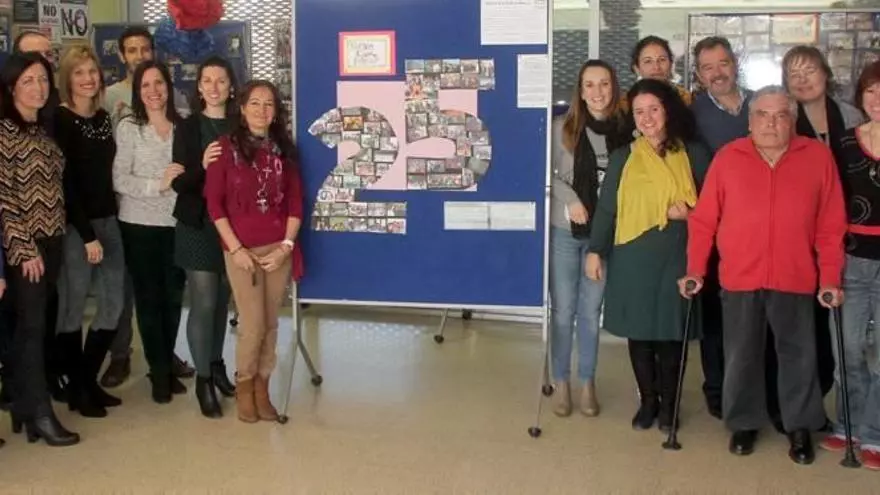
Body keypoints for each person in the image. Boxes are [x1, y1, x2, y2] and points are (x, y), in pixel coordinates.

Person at [681, 85, 846, 465]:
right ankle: (743, 422)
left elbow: (831, 224)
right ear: (750, 121)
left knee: (799, 356)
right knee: (741, 355)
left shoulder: (817, 157)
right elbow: (704, 221)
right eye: (763, 115)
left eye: (780, 115)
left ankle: (800, 426)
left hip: (795, 274)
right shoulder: (728, 157)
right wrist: (694, 270)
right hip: (740, 275)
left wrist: (829, 277)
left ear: (793, 121)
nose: (771, 123)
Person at [585, 79, 711, 432]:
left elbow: (716, 205)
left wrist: (690, 213)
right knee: (639, 333)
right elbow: (607, 208)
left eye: (654, 109)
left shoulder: (693, 153)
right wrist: (595, 250)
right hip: (633, 255)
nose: (647, 118)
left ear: (668, 111)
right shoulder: (623, 156)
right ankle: (649, 402)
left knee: (671, 333)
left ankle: (670, 406)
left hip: (677, 252)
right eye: (639, 112)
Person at [204, 80, 304, 423]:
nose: (262, 110)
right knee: (253, 324)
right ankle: (244, 385)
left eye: (269, 104)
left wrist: (286, 247)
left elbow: (295, 203)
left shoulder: (284, 150)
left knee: (271, 323)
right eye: (255, 103)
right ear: (242, 109)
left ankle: (263, 387)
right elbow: (214, 205)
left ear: (276, 111)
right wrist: (235, 250)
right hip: (241, 251)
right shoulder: (224, 149)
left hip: (278, 250)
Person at [776, 45, 864, 431]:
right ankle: (802, 407)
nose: (802, 79)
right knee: (803, 326)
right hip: (799, 235)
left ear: (825, 73)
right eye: (793, 74)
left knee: (838, 327)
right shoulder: (784, 118)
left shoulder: (851, 115)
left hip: (849, 231)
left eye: (809, 70)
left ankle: (835, 402)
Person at [101, 26, 194, 387]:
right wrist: (159, 184)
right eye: (145, 86)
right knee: (148, 300)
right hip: (138, 225)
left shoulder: (184, 125)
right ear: (137, 92)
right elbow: (119, 180)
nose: (153, 91)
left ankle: (167, 363)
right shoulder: (129, 127)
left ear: (168, 87)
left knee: (173, 300)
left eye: (159, 84)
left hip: (177, 225)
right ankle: (158, 374)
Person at [0, 52, 79, 446]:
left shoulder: (42, 129)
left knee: (36, 327)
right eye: (28, 80)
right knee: (31, 330)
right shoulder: (4, 132)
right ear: (12, 86)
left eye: (43, 79)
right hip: (26, 248)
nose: (38, 87)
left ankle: (23, 405)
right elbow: (3, 198)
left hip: (54, 240)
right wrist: (24, 248)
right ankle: (41, 413)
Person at [549, 59, 631, 417]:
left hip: (603, 236)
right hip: (566, 233)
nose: (597, 92)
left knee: (590, 312)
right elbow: (545, 175)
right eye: (589, 85)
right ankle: (561, 381)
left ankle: (587, 381)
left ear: (614, 87)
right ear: (580, 92)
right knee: (563, 312)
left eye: (604, 83)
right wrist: (571, 199)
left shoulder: (626, 131)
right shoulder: (561, 128)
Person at [53, 46, 125, 419]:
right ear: (67, 79)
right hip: (76, 227)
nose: (87, 79)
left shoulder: (102, 118)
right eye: (79, 72)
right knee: (73, 307)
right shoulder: (59, 119)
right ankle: (78, 389)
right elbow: (65, 184)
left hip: (108, 220)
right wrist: (86, 235)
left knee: (113, 303)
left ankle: (85, 381)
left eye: (92, 71)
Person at [818, 61, 880, 470]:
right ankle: (848, 426)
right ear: (860, 97)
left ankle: (875, 434)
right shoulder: (843, 143)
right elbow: (829, 204)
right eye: (871, 91)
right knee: (848, 350)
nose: (878, 99)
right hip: (852, 260)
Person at [689, 36, 754, 420]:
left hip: (760, 230)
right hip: (715, 230)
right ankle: (717, 389)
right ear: (699, 74)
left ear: (735, 63)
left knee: (754, 316)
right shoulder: (692, 115)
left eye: (723, 63)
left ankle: (751, 388)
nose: (717, 73)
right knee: (714, 316)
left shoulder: (761, 106)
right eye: (708, 67)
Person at [171, 56, 238, 418]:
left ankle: (216, 364)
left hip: (234, 226)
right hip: (198, 225)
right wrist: (203, 164)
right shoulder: (187, 127)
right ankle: (203, 380)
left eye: (221, 80)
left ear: (231, 86)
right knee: (205, 301)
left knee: (223, 300)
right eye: (207, 81)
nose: (214, 87)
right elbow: (179, 183)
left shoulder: (240, 124)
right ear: (198, 87)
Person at [628, 36, 692, 105]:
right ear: (637, 68)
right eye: (648, 61)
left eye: (662, 59)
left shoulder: (686, 99)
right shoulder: (626, 103)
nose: (656, 67)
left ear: (671, 64)